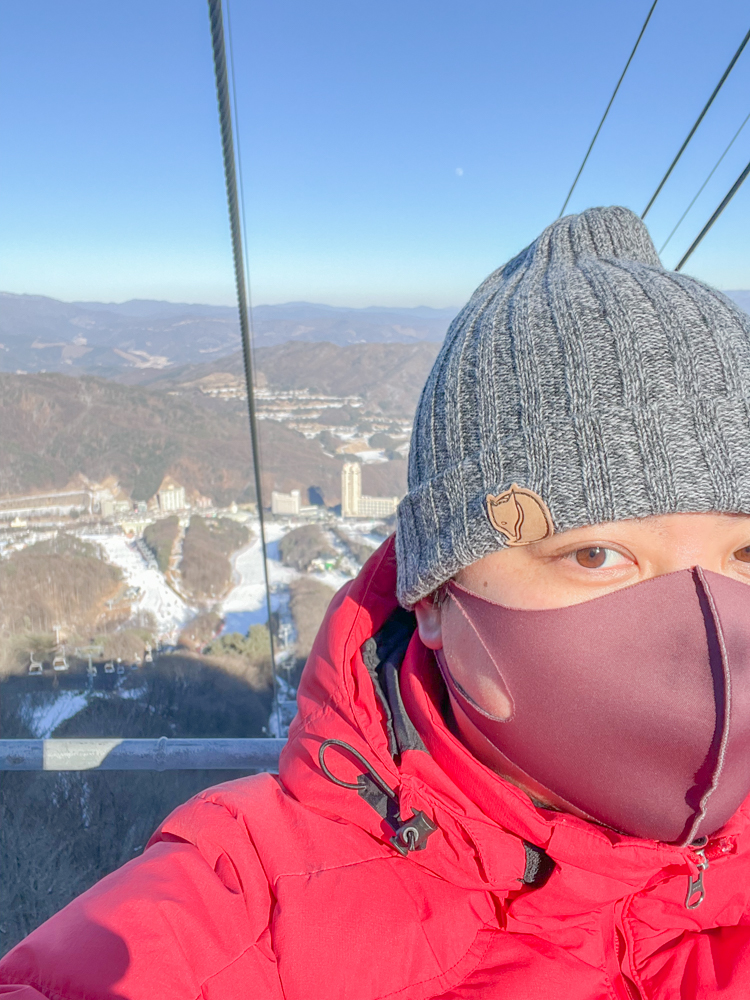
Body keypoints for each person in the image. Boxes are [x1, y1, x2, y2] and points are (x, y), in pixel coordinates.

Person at [4, 205, 750, 999]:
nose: (704, 620)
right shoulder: (249, 912)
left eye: (746, 552)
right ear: (433, 599)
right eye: (595, 553)